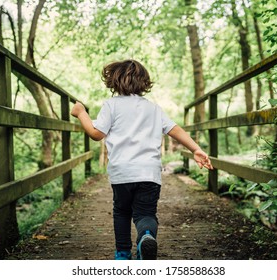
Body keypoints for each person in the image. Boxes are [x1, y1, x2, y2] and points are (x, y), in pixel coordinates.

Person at [71, 59, 213, 260]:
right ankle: (146, 236)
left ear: (113, 81)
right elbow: (175, 130)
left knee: (121, 211)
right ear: (144, 83)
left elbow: (96, 133)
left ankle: (122, 254)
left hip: (122, 173)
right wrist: (196, 149)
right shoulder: (154, 108)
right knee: (145, 214)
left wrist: (81, 113)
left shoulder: (111, 105)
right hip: (149, 173)